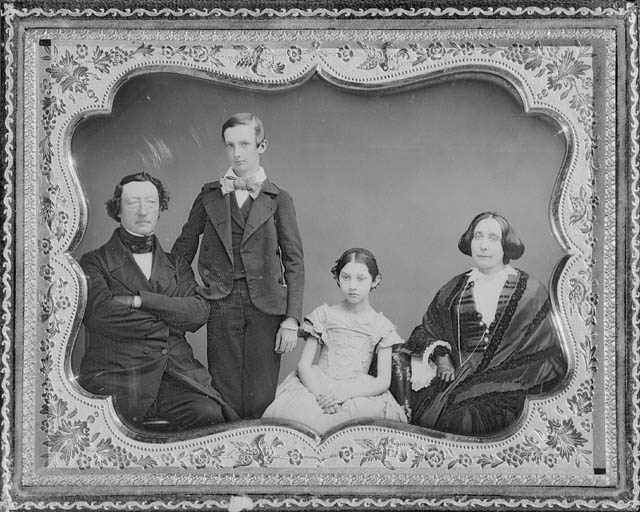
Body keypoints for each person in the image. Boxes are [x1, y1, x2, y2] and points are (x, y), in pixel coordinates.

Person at [78, 172, 238, 431]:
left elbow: (198, 313)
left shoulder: (176, 264)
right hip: (119, 375)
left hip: (174, 375)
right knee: (109, 428)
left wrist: (141, 301)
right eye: (133, 203)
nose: (143, 211)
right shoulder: (94, 262)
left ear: (160, 208)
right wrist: (170, 319)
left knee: (209, 414)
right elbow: (100, 315)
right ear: (117, 209)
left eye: (151, 203)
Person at [171, 113, 304, 419]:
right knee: (225, 388)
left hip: (267, 305)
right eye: (230, 145)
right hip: (221, 302)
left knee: (262, 392)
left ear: (262, 146)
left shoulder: (279, 199)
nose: (237, 153)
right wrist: (193, 290)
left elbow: (294, 261)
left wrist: (291, 319)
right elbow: (181, 251)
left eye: (245, 144)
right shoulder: (209, 195)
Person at [391, 211, 567, 437]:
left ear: (506, 244)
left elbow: (548, 353)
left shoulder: (531, 293)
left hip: (513, 380)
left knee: (466, 412)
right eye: (478, 236)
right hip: (458, 375)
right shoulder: (454, 289)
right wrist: (442, 357)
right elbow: (427, 330)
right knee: (443, 408)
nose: (483, 246)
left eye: (493, 238)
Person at [263, 248, 407, 434]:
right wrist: (321, 396)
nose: (352, 286)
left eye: (360, 279)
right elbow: (304, 365)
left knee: (359, 424)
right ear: (337, 278)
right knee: (298, 418)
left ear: (375, 280)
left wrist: (344, 394)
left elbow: (382, 381)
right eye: (346, 277)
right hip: (318, 385)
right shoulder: (324, 315)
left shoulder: (382, 326)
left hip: (356, 390)